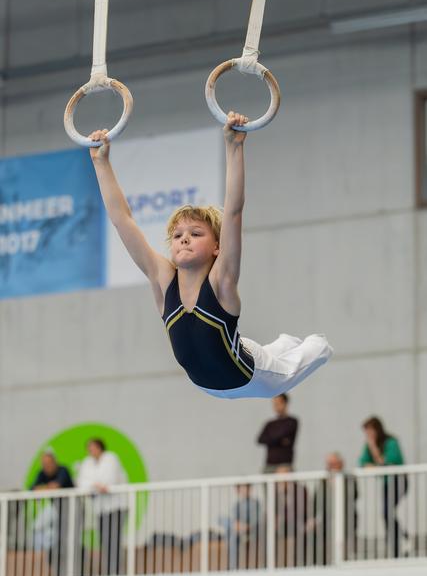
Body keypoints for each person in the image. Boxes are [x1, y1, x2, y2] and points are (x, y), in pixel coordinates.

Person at [89, 113, 332, 400]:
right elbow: (122, 220)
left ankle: (318, 344)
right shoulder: (164, 280)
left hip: (250, 379)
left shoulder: (221, 282)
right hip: (210, 381)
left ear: (217, 246)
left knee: (301, 359)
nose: (185, 239)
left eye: (196, 233)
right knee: (248, 345)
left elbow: (233, 211)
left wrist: (234, 147)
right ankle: (284, 342)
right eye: (178, 236)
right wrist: (100, 162)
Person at [76, 439, 127, 576]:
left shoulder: (111, 458)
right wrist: (96, 485)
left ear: (100, 447)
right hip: (101, 509)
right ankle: (109, 571)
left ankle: (116, 572)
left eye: (92, 447)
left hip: (117, 507)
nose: (90, 450)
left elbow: (109, 481)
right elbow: (82, 483)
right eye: (89, 448)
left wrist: (94, 485)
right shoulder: (88, 462)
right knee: (104, 540)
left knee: (114, 539)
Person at [359, 416, 408, 558]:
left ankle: (403, 538)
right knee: (386, 514)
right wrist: (373, 457)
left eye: (370, 431)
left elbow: (389, 462)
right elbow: (362, 463)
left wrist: (374, 450)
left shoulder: (391, 442)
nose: (368, 435)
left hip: (398, 481)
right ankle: (396, 547)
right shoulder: (369, 445)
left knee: (387, 512)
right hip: (387, 483)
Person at [308, 452, 358, 565]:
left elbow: (354, 495)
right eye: (329, 464)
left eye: (334, 464)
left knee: (345, 549)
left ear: (341, 464)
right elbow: (317, 500)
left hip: (347, 519)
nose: (331, 467)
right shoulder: (323, 480)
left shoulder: (349, 478)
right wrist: (313, 518)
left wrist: (338, 485)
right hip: (327, 520)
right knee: (325, 546)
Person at [31, 450, 74, 576]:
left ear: (55, 462)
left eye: (49, 463)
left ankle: (72, 573)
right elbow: (32, 488)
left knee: (69, 541)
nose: (47, 466)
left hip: (72, 510)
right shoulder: (42, 473)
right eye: (44, 464)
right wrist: (46, 487)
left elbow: (56, 486)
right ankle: (60, 574)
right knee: (57, 542)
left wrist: (44, 488)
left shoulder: (62, 470)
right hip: (58, 512)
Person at [220, 483, 262, 570]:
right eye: (241, 488)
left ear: (249, 489)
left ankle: (232, 568)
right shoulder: (237, 505)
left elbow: (254, 522)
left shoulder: (255, 503)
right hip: (237, 530)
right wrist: (235, 525)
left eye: (245, 488)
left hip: (250, 532)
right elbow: (235, 520)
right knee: (221, 519)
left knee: (232, 535)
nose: (244, 490)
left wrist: (244, 526)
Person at [257, 394, 298, 472]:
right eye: (274, 404)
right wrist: (280, 440)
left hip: (284, 465)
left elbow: (281, 435)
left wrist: (270, 438)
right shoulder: (270, 424)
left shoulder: (292, 422)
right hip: (269, 464)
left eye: (278, 403)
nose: (276, 406)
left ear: (285, 403)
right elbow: (260, 439)